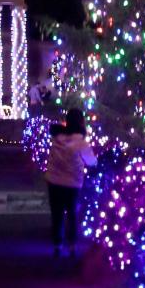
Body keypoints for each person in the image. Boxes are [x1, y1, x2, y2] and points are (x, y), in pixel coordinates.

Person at [44, 109, 97, 257]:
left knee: (57, 214)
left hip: (54, 181)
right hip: (72, 183)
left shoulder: (57, 138)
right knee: (72, 214)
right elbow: (91, 162)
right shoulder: (81, 142)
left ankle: (57, 245)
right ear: (81, 122)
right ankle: (72, 246)